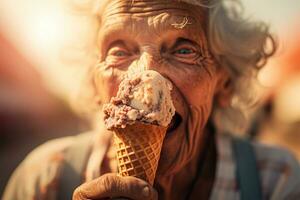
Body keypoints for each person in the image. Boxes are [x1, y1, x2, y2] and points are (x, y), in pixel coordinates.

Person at [3, 0, 300, 199]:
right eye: (119, 51)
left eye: (183, 50)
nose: (147, 74)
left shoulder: (275, 180)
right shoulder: (43, 179)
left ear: (224, 83)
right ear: (95, 83)